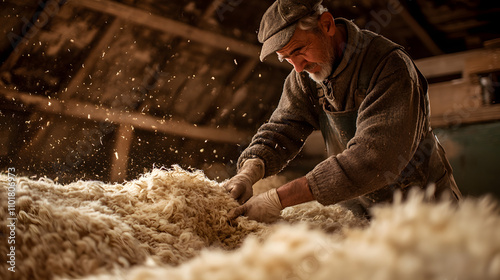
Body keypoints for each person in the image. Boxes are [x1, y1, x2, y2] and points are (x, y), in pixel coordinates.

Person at [225, 0, 462, 223]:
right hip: (361, 211)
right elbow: (282, 128)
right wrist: (249, 171)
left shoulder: (389, 66)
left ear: (326, 24)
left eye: (299, 50)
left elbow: (375, 159)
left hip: (424, 211)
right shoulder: (304, 78)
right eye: (286, 58)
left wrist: (279, 198)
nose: (297, 67)